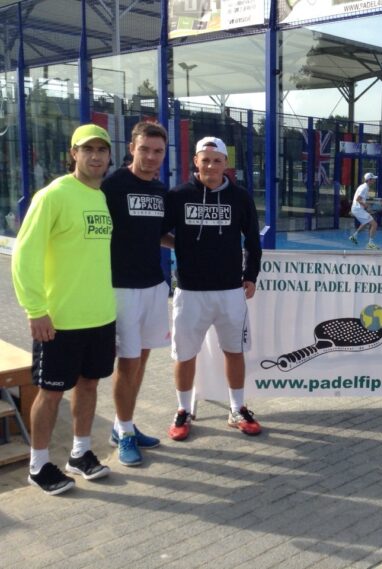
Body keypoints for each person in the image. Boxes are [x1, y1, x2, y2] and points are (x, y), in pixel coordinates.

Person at [12, 124, 116, 495]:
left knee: (89, 385)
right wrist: (35, 309)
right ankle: (38, 465)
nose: (95, 156)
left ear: (109, 156)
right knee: (50, 392)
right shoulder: (53, 195)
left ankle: (80, 453)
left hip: (100, 315)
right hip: (59, 319)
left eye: (101, 150)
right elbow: (24, 255)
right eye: (87, 149)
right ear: (73, 154)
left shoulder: (101, 197)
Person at [164, 136, 262, 441]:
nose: (210, 166)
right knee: (185, 354)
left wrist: (251, 275)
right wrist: (182, 246)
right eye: (204, 160)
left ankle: (237, 408)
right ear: (196, 161)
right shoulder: (179, 195)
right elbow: (158, 232)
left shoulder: (240, 197)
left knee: (234, 351)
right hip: (190, 291)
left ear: (225, 164)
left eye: (216, 160)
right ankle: (183, 410)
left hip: (230, 290)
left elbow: (253, 239)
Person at [102, 121, 171, 467]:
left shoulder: (160, 190)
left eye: (158, 151)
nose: (151, 157)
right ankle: (124, 432)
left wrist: (197, 247)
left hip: (154, 286)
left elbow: (158, 234)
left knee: (141, 360)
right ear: (131, 148)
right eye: (144, 149)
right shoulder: (112, 186)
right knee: (127, 363)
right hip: (123, 289)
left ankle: (123, 424)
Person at [349, 172, 379, 249]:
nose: (374, 180)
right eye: (373, 179)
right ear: (369, 180)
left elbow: (360, 199)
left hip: (357, 209)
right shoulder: (365, 188)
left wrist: (365, 207)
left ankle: (354, 236)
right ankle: (370, 244)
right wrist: (367, 206)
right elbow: (358, 199)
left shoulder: (363, 186)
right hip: (358, 209)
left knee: (365, 223)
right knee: (374, 224)